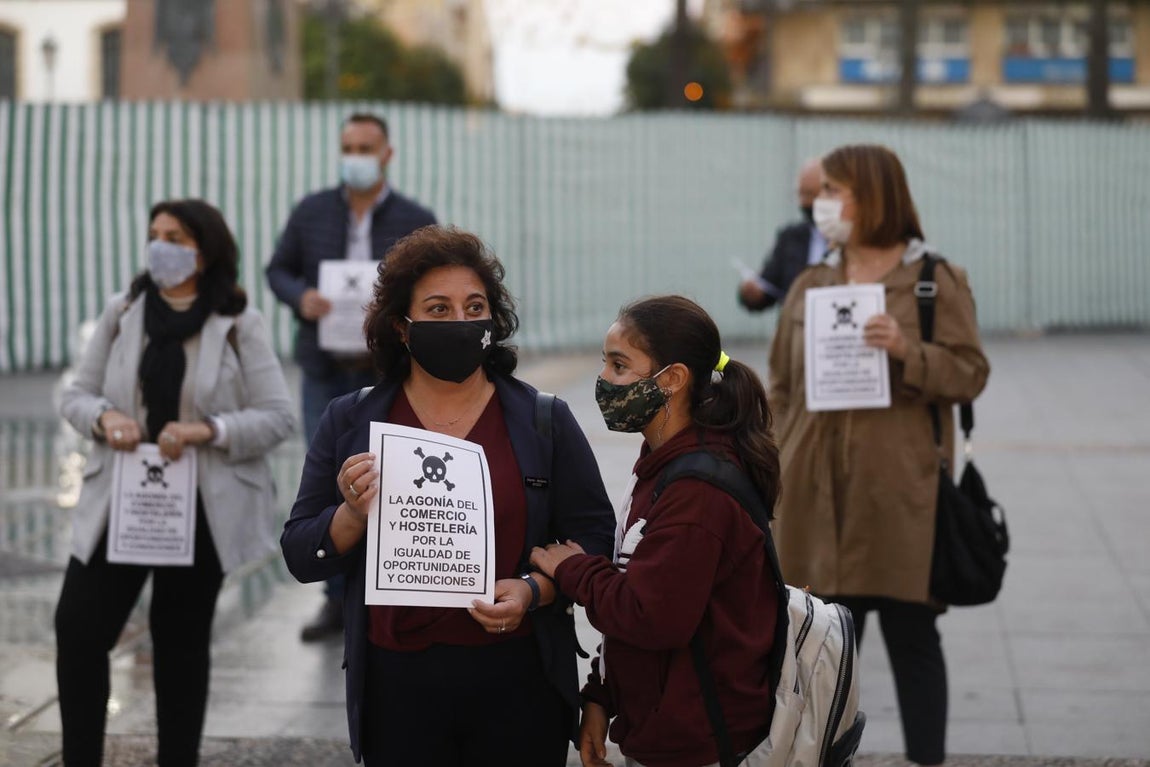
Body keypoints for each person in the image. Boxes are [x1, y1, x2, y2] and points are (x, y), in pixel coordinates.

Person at [279, 226, 616, 766]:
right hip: (397, 685)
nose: (461, 322)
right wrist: (351, 514)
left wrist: (535, 591)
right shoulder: (351, 420)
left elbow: (594, 537)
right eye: (438, 309)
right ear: (401, 327)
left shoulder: (543, 420)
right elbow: (300, 552)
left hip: (518, 680)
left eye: (474, 307)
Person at [767, 144, 990, 766]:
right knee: (818, 655)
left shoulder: (933, 280)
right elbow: (781, 385)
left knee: (913, 638)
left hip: (900, 496)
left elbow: (970, 373)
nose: (820, 204)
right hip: (813, 495)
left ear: (872, 197)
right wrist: (774, 460)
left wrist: (905, 351)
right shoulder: (812, 283)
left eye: (833, 190)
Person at [56, 199, 296, 766]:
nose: (160, 247)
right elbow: (76, 395)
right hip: (123, 498)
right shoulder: (123, 311)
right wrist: (104, 418)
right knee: (79, 629)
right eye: (155, 235)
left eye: (175, 238)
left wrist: (208, 430)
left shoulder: (238, 322)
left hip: (201, 508)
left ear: (205, 252)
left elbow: (277, 416)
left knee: (180, 644)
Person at [530, 295, 781, 767]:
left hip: (701, 741)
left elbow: (651, 616)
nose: (604, 379)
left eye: (620, 365)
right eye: (605, 362)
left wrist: (573, 569)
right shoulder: (662, 463)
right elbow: (642, 582)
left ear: (672, 379)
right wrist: (601, 694)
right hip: (664, 727)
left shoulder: (696, 492)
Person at [265, 111, 437, 641]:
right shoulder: (312, 211)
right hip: (324, 366)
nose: (356, 157)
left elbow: (432, 282)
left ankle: (387, 584)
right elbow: (278, 270)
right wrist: (301, 297)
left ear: (388, 154)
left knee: (384, 477)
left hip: (387, 371)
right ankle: (335, 598)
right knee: (327, 480)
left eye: (366, 148)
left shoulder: (415, 218)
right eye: (349, 147)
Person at [737, 158, 827, 312]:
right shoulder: (790, 237)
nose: (804, 202)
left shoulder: (853, 241)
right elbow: (768, 288)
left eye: (811, 194)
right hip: (794, 324)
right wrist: (751, 294)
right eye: (801, 194)